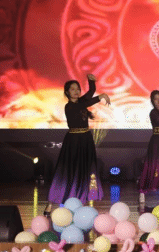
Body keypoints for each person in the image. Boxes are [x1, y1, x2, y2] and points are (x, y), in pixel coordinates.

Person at [45, 74, 110, 215]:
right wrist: (100, 97)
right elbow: (84, 104)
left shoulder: (81, 102)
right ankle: (50, 203)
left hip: (85, 140)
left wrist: (91, 81)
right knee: (66, 172)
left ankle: (81, 200)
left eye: (78, 89)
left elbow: (91, 92)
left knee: (84, 171)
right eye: (72, 89)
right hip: (73, 141)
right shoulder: (69, 107)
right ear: (67, 92)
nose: (76, 91)